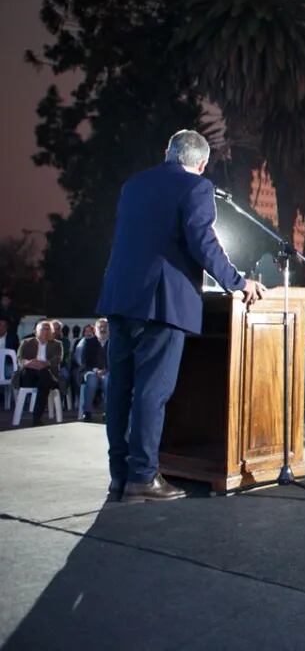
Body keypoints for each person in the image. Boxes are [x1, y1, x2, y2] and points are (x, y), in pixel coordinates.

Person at [96, 130, 266, 502]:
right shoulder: (197, 187)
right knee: (151, 391)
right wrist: (238, 283)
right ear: (201, 163)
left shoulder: (134, 185)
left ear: (167, 153)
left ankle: (119, 475)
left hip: (121, 298)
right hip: (162, 303)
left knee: (121, 389)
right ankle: (142, 477)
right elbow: (202, 241)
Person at [13, 320, 64, 426]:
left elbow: (58, 359)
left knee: (43, 382)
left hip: (45, 374)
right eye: (43, 329)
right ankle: (53, 383)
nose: (46, 331)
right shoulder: (26, 342)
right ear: (36, 332)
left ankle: (37, 418)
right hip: (28, 374)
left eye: (48, 329)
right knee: (43, 375)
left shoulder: (57, 344)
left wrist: (46, 363)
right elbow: (20, 359)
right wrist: (29, 363)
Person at [77, 319, 110, 421]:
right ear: (95, 329)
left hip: (108, 372)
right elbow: (84, 362)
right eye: (100, 326)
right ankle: (87, 412)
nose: (103, 329)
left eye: (105, 326)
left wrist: (107, 370)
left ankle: (107, 412)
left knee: (107, 381)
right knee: (91, 379)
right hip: (91, 371)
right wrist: (96, 370)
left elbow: (117, 361)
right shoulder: (88, 342)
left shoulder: (113, 342)